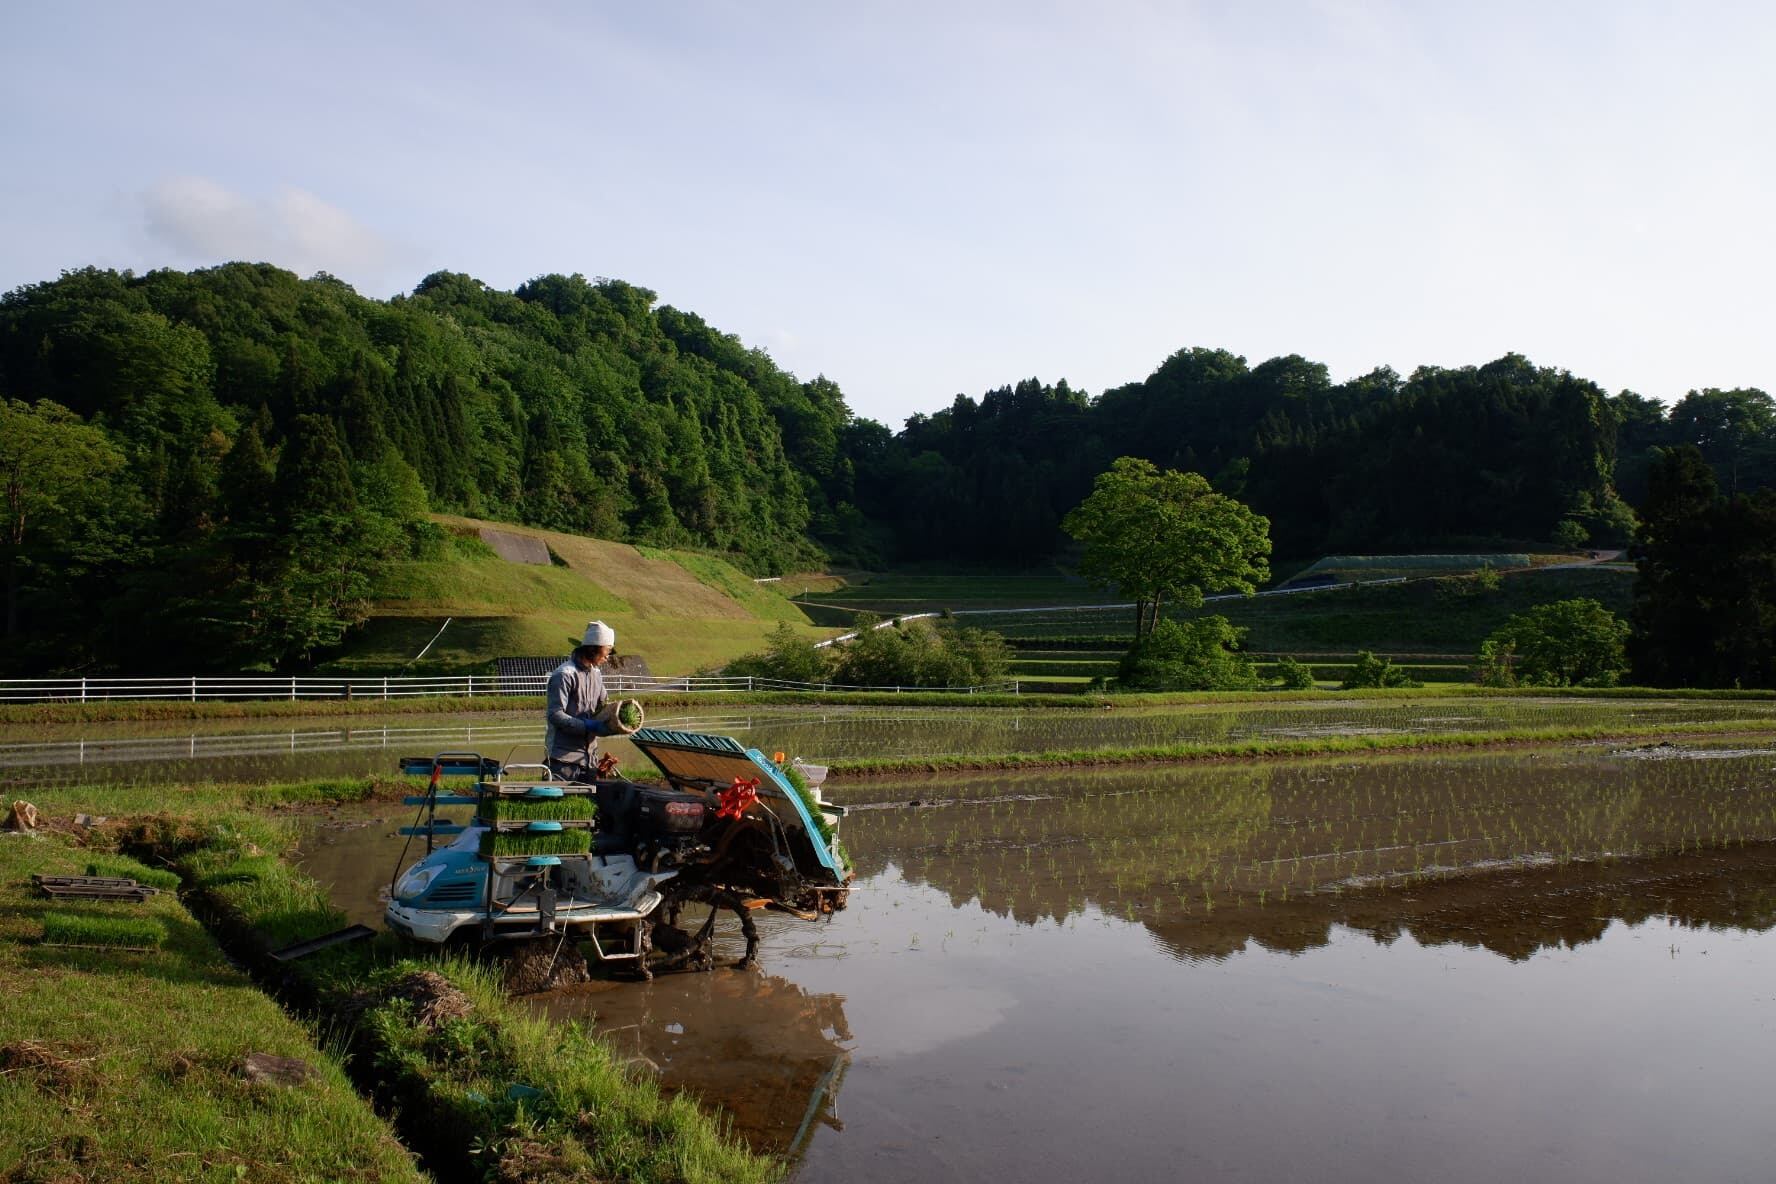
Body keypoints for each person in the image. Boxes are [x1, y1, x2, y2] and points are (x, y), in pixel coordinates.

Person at [545, 621, 617, 782]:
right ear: (593, 649)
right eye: (607, 650)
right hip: (563, 758)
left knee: (590, 804)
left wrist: (614, 720)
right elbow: (555, 714)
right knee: (560, 804)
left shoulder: (596, 674)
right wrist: (587, 725)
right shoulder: (564, 674)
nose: (608, 656)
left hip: (589, 757)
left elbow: (603, 705)